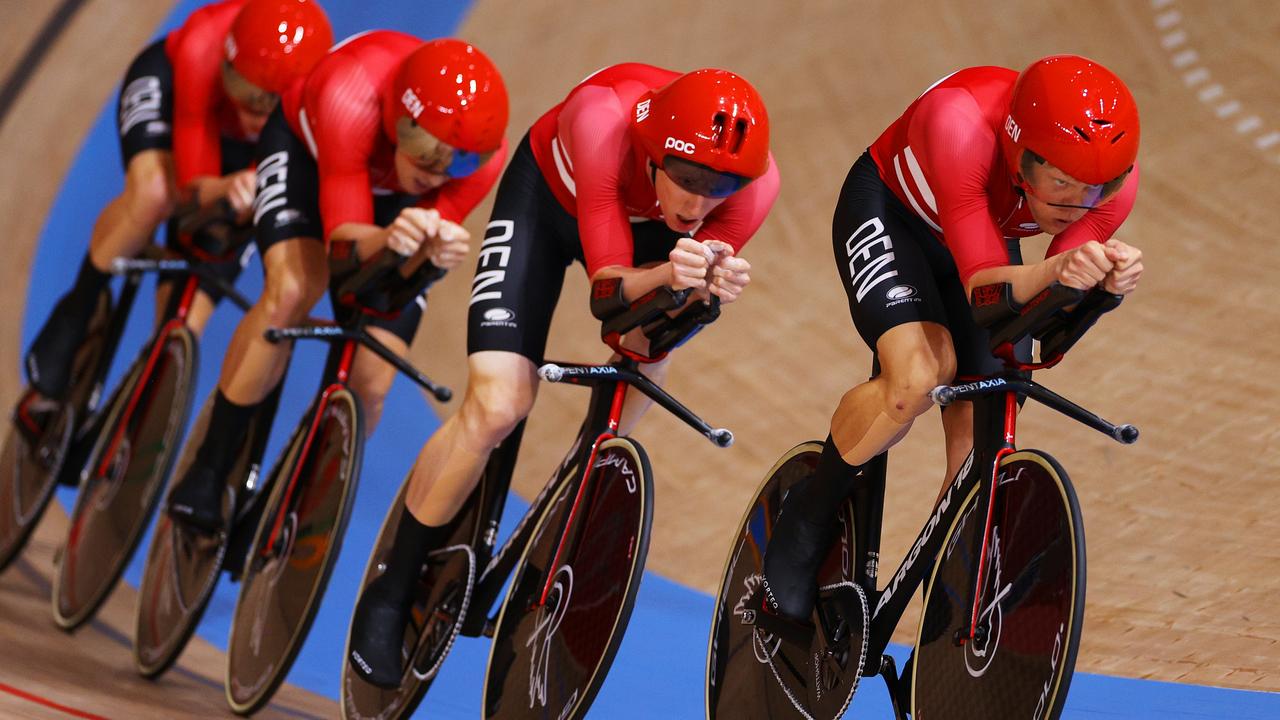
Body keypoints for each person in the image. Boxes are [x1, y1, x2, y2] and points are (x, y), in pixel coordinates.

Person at [347, 62, 782, 688]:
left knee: (627, 404)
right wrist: (671, 276)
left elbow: (635, 331)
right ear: (656, 153)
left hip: (649, 242)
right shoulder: (600, 119)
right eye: (687, 179)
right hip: (549, 207)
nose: (699, 202)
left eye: (721, 187)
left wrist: (703, 296)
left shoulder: (754, 187)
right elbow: (607, 296)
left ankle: (567, 506)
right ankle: (391, 591)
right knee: (499, 404)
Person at [758, 54, 1145, 626]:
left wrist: (1101, 291)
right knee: (917, 377)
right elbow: (986, 291)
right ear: (1019, 155)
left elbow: (1035, 324)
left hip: (980, 236)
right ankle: (810, 512)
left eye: (1095, 189)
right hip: (893, 214)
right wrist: (1059, 276)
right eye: (1060, 182)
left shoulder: (1112, 187)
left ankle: (947, 585)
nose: (1076, 204)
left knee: (985, 427)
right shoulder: (958, 123)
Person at [165, 33, 509, 533]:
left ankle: (297, 507)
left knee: (372, 383)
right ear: (396, 115)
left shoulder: (484, 160)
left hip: (391, 206)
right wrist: (392, 239)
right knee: (291, 293)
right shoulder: (350, 96)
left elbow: (406, 263)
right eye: (425, 149)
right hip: (312, 161)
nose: (438, 173)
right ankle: (209, 470)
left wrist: (431, 256)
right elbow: (342, 248)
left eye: (457, 160)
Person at [23, 0, 333, 401]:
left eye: (269, 103)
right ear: (229, 58)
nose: (253, 108)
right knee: (156, 194)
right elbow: (192, 190)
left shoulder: (317, 104)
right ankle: (77, 307)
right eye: (245, 88)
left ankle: (140, 399)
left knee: (184, 326)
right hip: (177, 96)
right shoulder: (201, 46)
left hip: (247, 149)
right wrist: (224, 190)